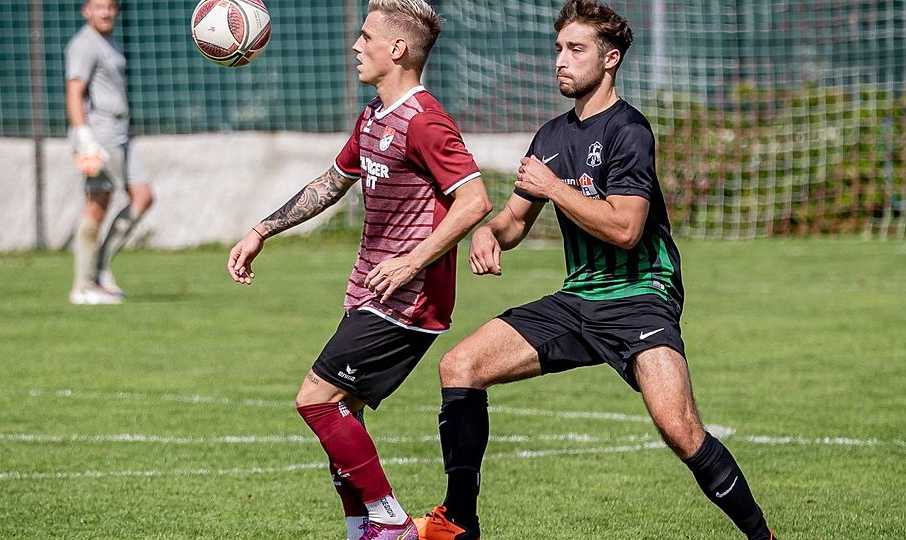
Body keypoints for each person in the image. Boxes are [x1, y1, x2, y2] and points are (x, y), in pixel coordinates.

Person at [414, 2, 776, 539]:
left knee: (679, 429)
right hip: (578, 298)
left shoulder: (631, 131)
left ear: (610, 59)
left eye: (575, 49)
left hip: (640, 297)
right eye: (558, 48)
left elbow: (626, 229)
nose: (561, 59)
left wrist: (554, 188)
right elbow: (515, 219)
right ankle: (460, 523)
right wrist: (489, 233)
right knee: (460, 367)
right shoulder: (550, 137)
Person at [226, 1, 491, 538]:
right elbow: (332, 180)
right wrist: (262, 230)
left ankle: (389, 522)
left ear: (397, 49)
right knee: (343, 414)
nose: (355, 45)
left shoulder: (426, 121)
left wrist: (411, 262)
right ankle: (361, 529)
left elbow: (475, 200)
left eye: (366, 36)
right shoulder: (374, 116)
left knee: (315, 400)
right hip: (368, 292)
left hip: (408, 300)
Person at [65, 0, 154, 305]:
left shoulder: (108, 42)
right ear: (85, 10)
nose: (105, 12)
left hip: (120, 135)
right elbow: (75, 91)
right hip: (99, 135)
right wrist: (83, 135)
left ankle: (101, 268)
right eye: (98, 7)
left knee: (143, 196)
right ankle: (83, 286)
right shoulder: (84, 44)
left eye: (110, 7)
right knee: (96, 207)